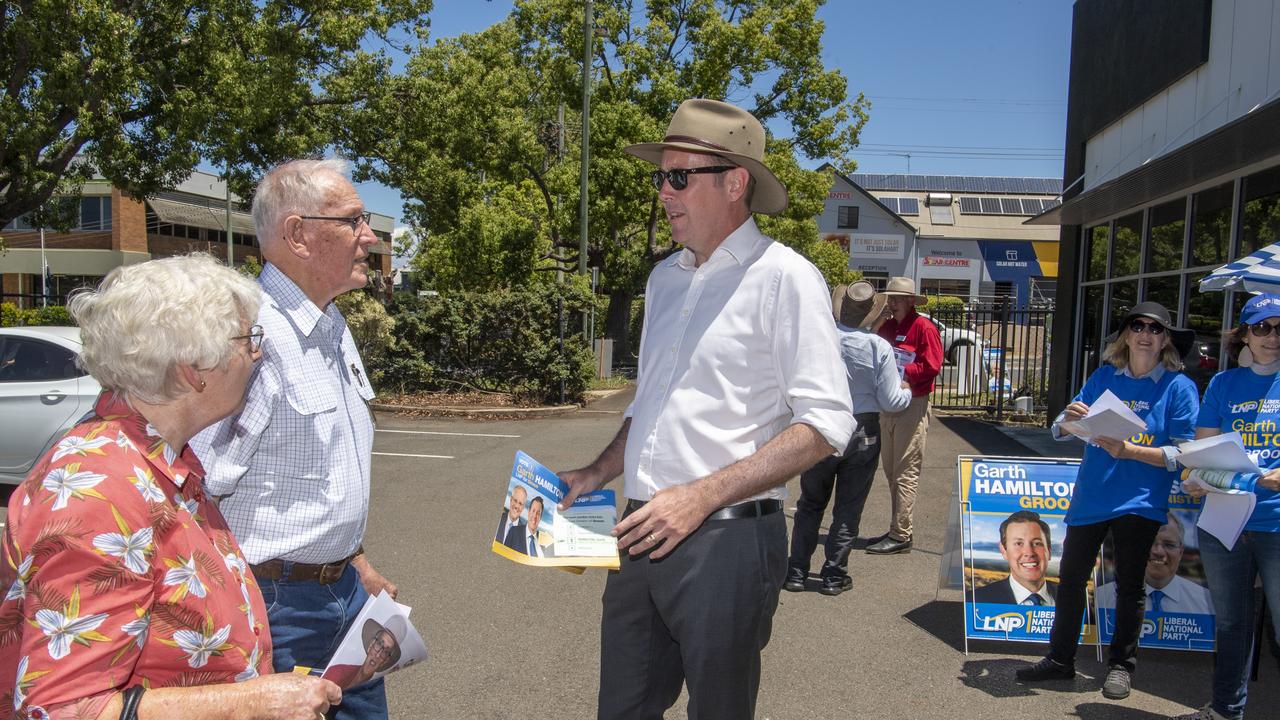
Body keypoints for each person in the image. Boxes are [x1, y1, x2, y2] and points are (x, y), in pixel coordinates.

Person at [558, 98, 854, 720]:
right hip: (638, 531)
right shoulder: (665, 278)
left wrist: (701, 495)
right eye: (661, 176)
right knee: (622, 710)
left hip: (727, 542)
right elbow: (653, 404)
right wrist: (596, 473)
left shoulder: (785, 278)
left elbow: (828, 424)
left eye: (678, 177)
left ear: (735, 182)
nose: (663, 193)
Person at [0, 254, 341, 719]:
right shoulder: (101, 492)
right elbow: (60, 708)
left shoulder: (160, 460)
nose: (256, 353)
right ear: (192, 368)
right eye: (247, 339)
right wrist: (249, 702)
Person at [192, 158, 397, 720]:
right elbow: (196, 485)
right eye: (353, 221)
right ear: (298, 234)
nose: (369, 236)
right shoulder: (250, 337)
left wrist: (354, 558)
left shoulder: (330, 324)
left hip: (343, 597)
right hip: (276, 605)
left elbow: (319, 468)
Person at [1015, 301, 1198, 701]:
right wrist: (1068, 418)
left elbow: (1185, 452)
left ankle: (1120, 667)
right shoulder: (1103, 377)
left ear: (1165, 339)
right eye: (1137, 326)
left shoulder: (1179, 387)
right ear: (1126, 336)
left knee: (1130, 585)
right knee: (1071, 581)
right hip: (1092, 495)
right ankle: (1060, 660)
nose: (1145, 334)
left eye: (1155, 328)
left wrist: (1131, 451)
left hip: (1141, 499)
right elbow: (1062, 427)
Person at [1171, 293, 1280, 720]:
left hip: (1275, 524)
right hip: (1224, 522)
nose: (1272, 336)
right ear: (1244, 337)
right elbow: (1203, 451)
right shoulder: (1222, 384)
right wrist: (1194, 478)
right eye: (1262, 327)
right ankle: (1225, 711)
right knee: (1232, 624)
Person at [785, 281, 911, 595]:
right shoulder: (878, 347)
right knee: (848, 507)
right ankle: (833, 575)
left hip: (821, 424)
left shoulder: (821, 340)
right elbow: (892, 402)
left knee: (810, 503)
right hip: (862, 428)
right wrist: (906, 391)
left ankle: (796, 571)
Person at [867, 276, 943, 555]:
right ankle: (898, 527)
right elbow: (869, 348)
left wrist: (904, 376)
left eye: (898, 298)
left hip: (912, 404)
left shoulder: (924, 327)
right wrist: (877, 323)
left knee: (905, 471)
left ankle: (901, 534)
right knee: (891, 470)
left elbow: (932, 365)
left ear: (911, 300)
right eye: (891, 298)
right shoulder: (886, 326)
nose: (893, 302)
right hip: (888, 406)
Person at [1094, 512, 1213, 614]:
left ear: (1181, 552)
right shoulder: (1102, 598)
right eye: (1150, 542)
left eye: (1169, 545)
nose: (1158, 551)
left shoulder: (1206, 602)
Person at [974, 510, 1058, 605]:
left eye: (1037, 543)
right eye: (1018, 543)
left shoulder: (1074, 597)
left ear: (1049, 551)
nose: (1029, 553)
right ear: (1004, 551)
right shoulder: (976, 600)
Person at [322, 617, 406, 690]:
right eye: (379, 643)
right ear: (371, 644)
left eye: (386, 652)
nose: (378, 655)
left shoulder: (376, 694)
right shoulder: (337, 671)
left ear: (386, 660)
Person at [496, 485, 528, 552]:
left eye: (520, 503)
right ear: (510, 500)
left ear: (523, 507)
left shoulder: (525, 533)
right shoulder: (498, 518)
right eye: (515, 501)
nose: (516, 506)